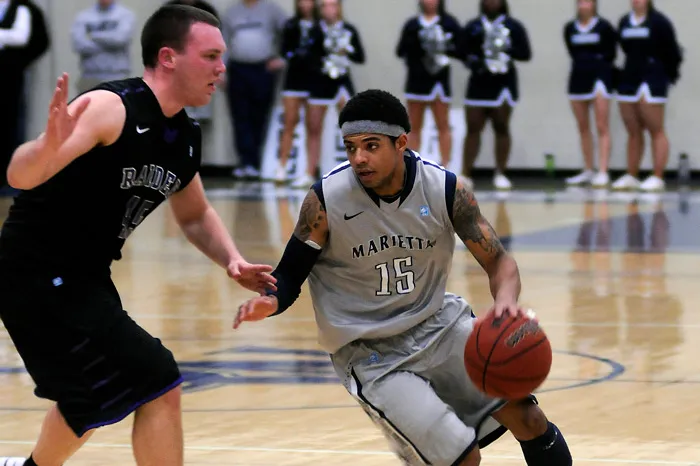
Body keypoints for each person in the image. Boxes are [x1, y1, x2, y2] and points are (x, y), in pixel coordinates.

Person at [234, 89, 572, 466]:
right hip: (371, 352)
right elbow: (289, 275)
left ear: (401, 143)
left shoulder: (445, 190)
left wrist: (506, 303)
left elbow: (500, 264)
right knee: (463, 457)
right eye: (350, 147)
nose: (358, 158)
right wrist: (270, 301)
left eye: (370, 145)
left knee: (528, 418)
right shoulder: (325, 201)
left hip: (438, 325)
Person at [0, 5, 276, 466]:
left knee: (89, 398)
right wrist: (45, 146)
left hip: (82, 278)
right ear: (169, 57)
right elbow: (21, 175)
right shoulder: (111, 107)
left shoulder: (185, 134)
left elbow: (194, 214)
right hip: (37, 273)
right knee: (156, 378)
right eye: (210, 56)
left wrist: (231, 259)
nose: (221, 68)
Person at [290, 0, 365, 189]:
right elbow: (306, 57)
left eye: (332, 5)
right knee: (313, 127)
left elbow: (360, 57)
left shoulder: (348, 29)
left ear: (339, 7)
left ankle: (359, 171)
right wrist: (322, 62)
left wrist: (347, 49)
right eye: (324, 5)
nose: (329, 9)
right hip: (320, 83)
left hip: (342, 83)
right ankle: (309, 171)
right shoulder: (315, 30)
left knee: (353, 127)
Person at [611, 0, 682, 192]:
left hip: (653, 78)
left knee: (655, 128)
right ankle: (631, 175)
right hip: (629, 77)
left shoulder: (659, 22)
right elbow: (624, 48)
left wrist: (666, 76)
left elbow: (673, 52)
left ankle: (657, 176)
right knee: (633, 130)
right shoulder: (624, 21)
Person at [460, 0, 531, 191]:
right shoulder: (473, 26)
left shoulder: (513, 26)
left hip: (503, 83)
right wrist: (473, 61)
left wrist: (507, 49)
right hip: (478, 83)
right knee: (473, 128)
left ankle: (501, 173)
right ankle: (466, 173)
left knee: (502, 127)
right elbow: (461, 51)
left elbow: (526, 53)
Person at [395, 0, 461, 168]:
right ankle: (410, 165)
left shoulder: (449, 23)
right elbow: (401, 50)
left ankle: (446, 165)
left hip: (439, 81)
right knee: (413, 126)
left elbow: (462, 48)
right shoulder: (412, 25)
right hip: (417, 81)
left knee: (443, 125)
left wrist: (445, 47)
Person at [563, 0, 617, 188]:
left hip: (599, 79)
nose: (583, 4)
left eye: (587, 1)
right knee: (583, 127)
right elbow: (572, 51)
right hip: (578, 78)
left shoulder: (604, 27)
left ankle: (603, 171)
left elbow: (611, 53)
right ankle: (588, 169)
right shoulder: (570, 27)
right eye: (580, 1)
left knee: (602, 125)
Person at [275, 0, 319, 184]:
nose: (305, 4)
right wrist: (295, 54)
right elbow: (284, 49)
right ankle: (282, 167)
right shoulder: (291, 24)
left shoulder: (320, 26)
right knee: (289, 122)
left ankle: (309, 171)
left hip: (314, 79)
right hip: (293, 78)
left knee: (313, 126)